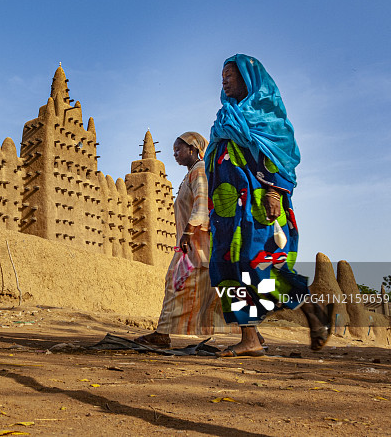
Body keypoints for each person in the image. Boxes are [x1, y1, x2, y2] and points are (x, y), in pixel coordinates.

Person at [206, 54, 331, 357]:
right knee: (226, 268)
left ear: (249, 79)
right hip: (225, 211)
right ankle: (250, 337)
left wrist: (275, 192)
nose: (224, 81)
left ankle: (311, 308)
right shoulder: (225, 116)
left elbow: (281, 159)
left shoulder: (267, 118)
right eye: (223, 76)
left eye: (230, 75)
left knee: (258, 263)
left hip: (256, 205)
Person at [135, 132, 231, 348]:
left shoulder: (199, 171)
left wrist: (188, 232)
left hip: (196, 241)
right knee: (198, 286)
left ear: (193, 149)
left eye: (179, 149)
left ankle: (162, 334)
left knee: (183, 283)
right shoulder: (191, 173)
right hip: (192, 242)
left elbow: (202, 202)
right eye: (173, 150)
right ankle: (163, 333)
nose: (175, 154)